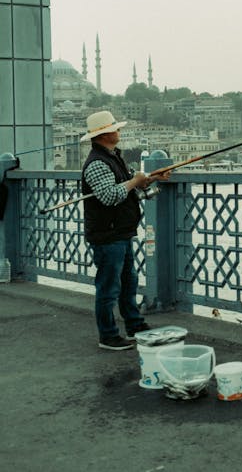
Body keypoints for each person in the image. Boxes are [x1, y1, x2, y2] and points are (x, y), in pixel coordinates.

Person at [80, 110, 170, 350]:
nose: (119, 131)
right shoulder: (97, 163)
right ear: (104, 134)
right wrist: (133, 181)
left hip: (120, 232)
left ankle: (134, 325)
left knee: (128, 283)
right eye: (115, 128)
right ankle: (108, 336)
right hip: (107, 235)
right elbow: (110, 196)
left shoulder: (113, 157)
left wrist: (151, 179)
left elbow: (129, 188)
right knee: (109, 288)